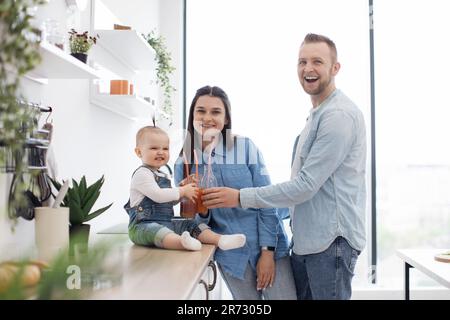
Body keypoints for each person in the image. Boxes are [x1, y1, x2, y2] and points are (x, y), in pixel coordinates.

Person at [202, 34, 367, 300]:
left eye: (317, 61)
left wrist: (241, 198)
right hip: (306, 244)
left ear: (335, 68)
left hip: (330, 244)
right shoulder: (317, 116)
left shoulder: (338, 116)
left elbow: (304, 186)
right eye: (302, 62)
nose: (308, 69)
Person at [174, 85, 297, 300]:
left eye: (216, 112)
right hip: (232, 256)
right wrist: (198, 207)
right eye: (201, 111)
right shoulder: (184, 162)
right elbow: (195, 222)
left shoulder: (245, 148)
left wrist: (267, 252)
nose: (207, 118)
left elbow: (266, 199)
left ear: (226, 118)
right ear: (192, 115)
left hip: (270, 246)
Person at [124, 126, 246, 252]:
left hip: (166, 222)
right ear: (139, 152)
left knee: (190, 224)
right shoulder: (142, 174)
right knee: (158, 232)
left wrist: (182, 188)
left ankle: (220, 240)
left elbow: (168, 201)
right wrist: (182, 191)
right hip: (142, 226)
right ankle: (182, 243)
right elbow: (158, 195)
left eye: (165, 148)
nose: (161, 152)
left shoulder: (162, 175)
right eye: (154, 148)